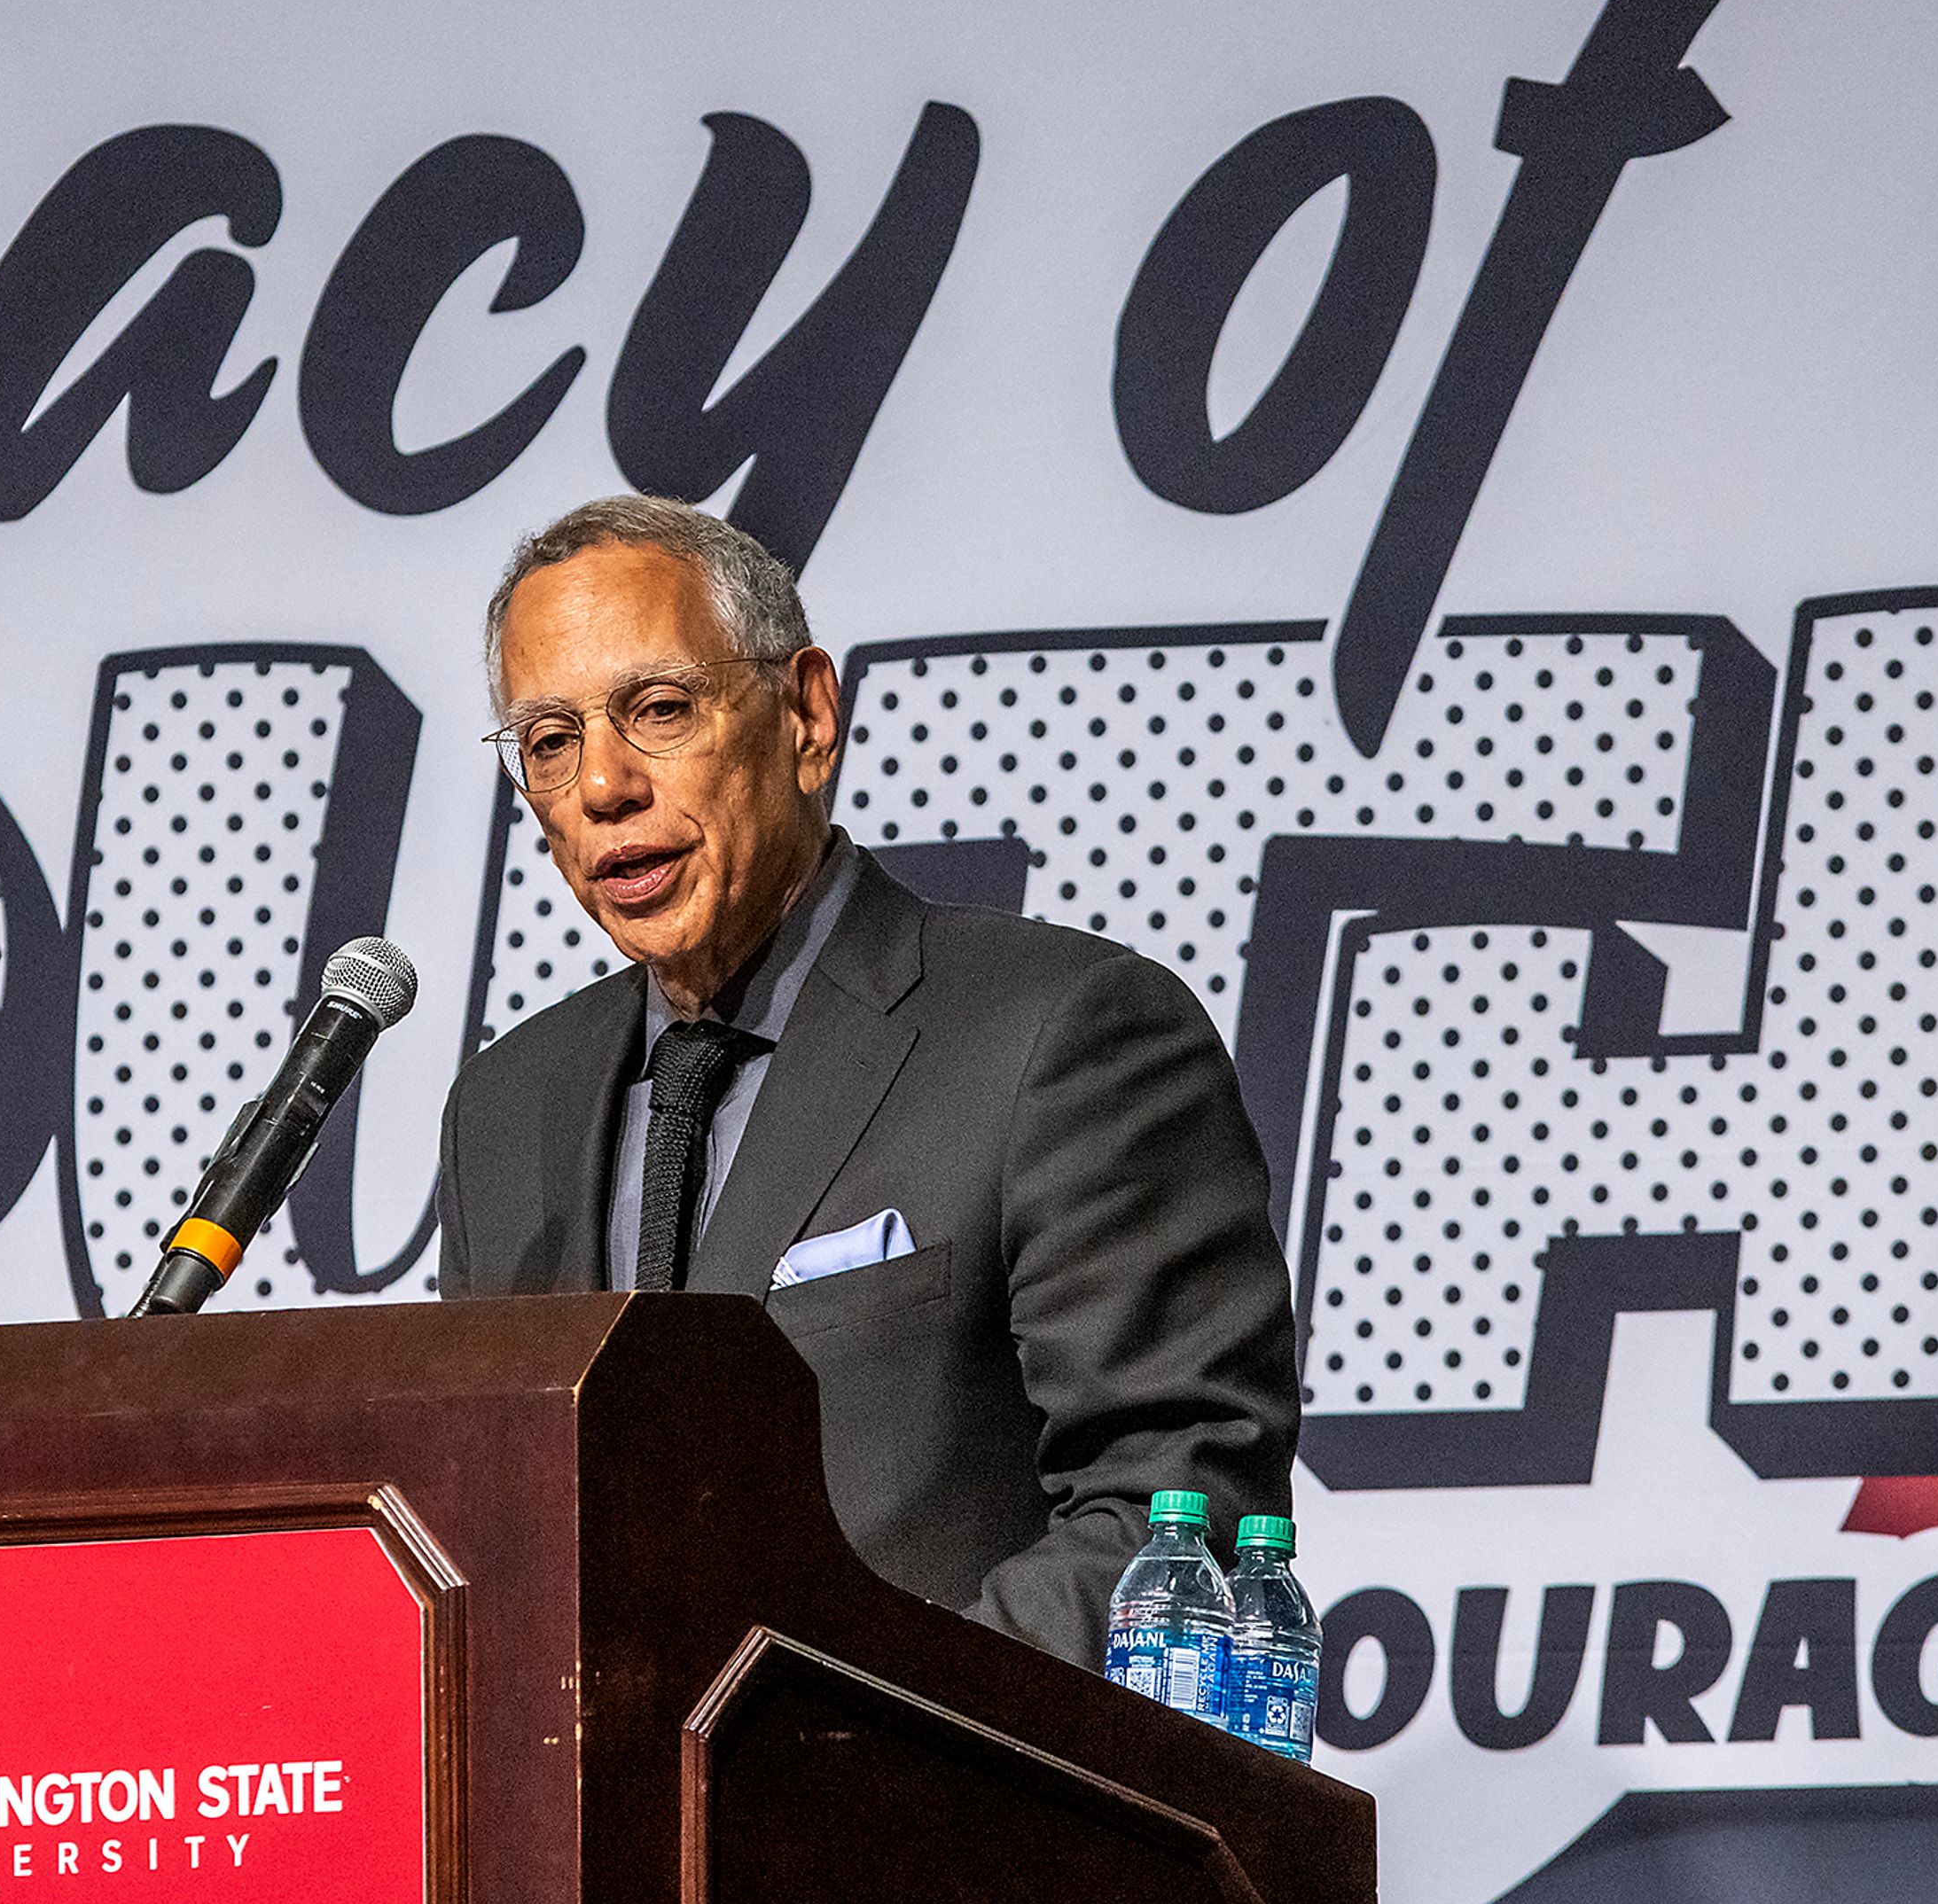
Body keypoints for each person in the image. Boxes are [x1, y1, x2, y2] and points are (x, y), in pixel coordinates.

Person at [434, 496, 1298, 1664]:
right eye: (549, 739)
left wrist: (831, 1746)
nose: (602, 784)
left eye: (659, 708)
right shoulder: (505, 1110)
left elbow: (1173, 1521)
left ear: (807, 715)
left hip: (938, 1824)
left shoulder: (1060, 1034)